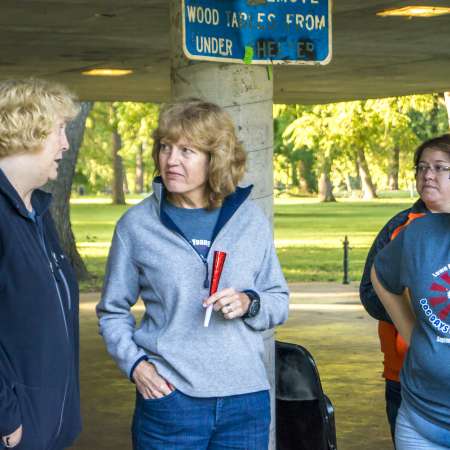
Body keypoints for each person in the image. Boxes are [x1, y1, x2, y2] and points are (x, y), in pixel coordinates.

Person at [97, 98, 289, 450]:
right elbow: (112, 311)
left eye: (187, 151)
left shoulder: (250, 220)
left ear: (214, 158)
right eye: (165, 148)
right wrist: (138, 367)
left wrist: (249, 302)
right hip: (170, 400)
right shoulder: (136, 226)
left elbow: (278, 300)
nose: (171, 160)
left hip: (245, 401)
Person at [0, 79, 81, 450]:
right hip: (16, 431)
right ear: (25, 130)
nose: (65, 143)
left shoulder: (38, 211)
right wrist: (6, 417)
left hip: (47, 424)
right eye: (59, 130)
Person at [360, 134, 450, 445]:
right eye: (422, 167)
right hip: (407, 379)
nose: (428, 174)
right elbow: (373, 292)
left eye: (439, 167)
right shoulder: (405, 228)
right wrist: (415, 332)